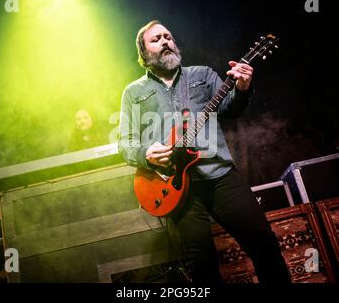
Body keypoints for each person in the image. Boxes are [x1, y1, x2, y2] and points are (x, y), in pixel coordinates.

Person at [118, 20, 291, 283]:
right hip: (176, 188)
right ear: (143, 53)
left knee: (264, 244)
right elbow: (125, 143)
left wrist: (242, 89)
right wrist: (146, 154)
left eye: (168, 36)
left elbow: (230, 110)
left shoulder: (202, 74)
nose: (165, 41)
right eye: (156, 39)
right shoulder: (133, 92)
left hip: (220, 174)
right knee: (202, 267)